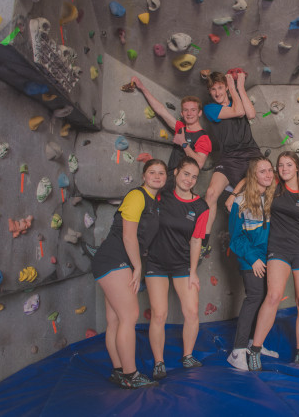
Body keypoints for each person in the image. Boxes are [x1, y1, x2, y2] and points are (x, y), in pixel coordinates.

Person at [91, 159, 167, 389]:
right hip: (115, 259)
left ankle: (118, 371)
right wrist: (137, 267)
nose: (157, 176)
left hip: (114, 261)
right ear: (144, 176)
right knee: (129, 316)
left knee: (115, 319)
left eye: (161, 173)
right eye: (152, 172)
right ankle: (130, 374)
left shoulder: (154, 202)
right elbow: (128, 236)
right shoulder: (137, 196)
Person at [247, 151, 299, 371]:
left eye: (289, 164)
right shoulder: (274, 186)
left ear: (297, 167)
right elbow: (251, 177)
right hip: (279, 248)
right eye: (281, 165)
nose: (284, 168)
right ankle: (255, 349)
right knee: (274, 295)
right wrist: (233, 196)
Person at [144, 157, 209, 379]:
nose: (189, 179)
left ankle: (187, 356)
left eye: (194, 177)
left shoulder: (200, 207)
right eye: (186, 174)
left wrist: (193, 271)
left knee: (192, 312)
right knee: (159, 314)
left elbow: (196, 240)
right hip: (156, 263)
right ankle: (159, 362)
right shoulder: (160, 196)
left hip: (182, 264)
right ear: (176, 173)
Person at [227, 156, 280, 370]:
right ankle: (237, 351)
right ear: (253, 175)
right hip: (251, 258)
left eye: (270, 170)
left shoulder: (274, 197)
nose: (268, 174)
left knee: (266, 300)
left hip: (271, 257)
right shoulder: (240, 201)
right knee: (255, 297)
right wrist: (253, 259)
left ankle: (254, 343)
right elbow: (235, 238)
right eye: (262, 171)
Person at [202, 71, 262, 257]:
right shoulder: (210, 108)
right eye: (213, 89)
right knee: (211, 193)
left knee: (253, 202)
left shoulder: (237, 99)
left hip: (250, 155)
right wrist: (231, 84)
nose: (217, 93)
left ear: (226, 88)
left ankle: (256, 244)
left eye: (220, 88)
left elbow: (250, 113)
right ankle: (203, 242)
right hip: (229, 158)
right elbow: (239, 112)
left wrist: (240, 87)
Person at [131, 76, 212, 172]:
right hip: (170, 175)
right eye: (186, 110)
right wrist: (142, 87)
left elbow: (199, 164)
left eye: (193, 110)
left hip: (183, 180)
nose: (189, 113)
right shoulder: (181, 128)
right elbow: (161, 110)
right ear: (182, 113)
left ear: (199, 113)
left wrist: (184, 144)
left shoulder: (203, 137)